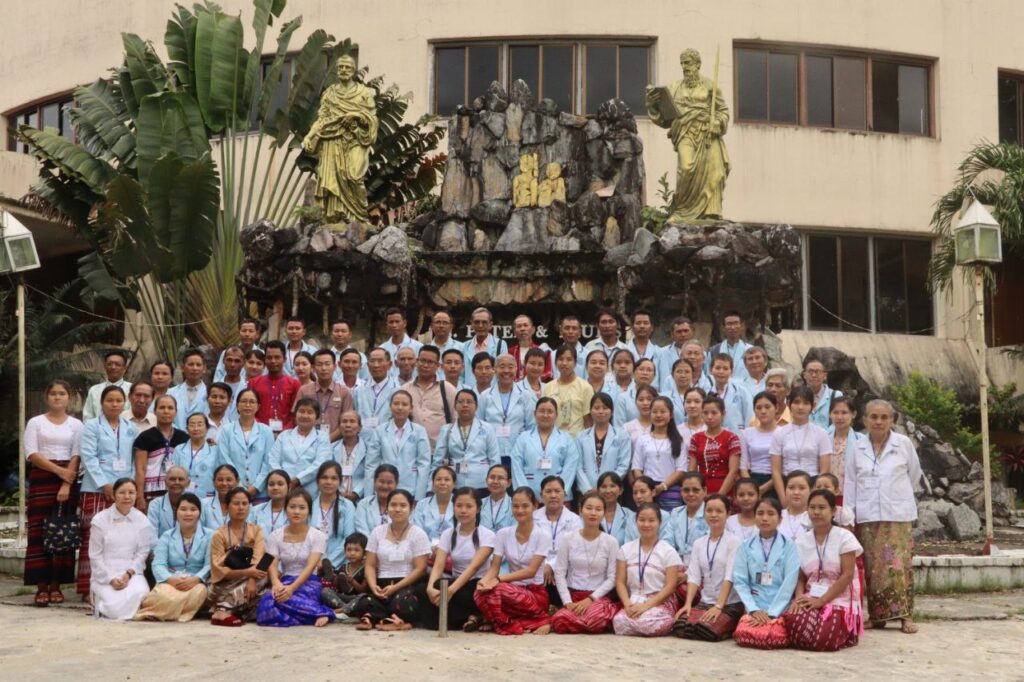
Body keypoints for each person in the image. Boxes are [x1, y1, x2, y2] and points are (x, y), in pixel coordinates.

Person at [845, 399, 922, 635]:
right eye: (874, 417)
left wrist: (894, 495)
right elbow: (850, 481)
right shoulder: (856, 446)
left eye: (884, 417)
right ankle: (877, 617)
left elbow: (914, 475)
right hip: (868, 515)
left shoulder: (903, 444)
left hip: (897, 515)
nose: (878, 422)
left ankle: (905, 616)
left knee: (899, 567)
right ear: (865, 419)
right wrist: (849, 516)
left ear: (892, 420)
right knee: (873, 568)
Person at [23, 380, 83, 606]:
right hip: (43, 477)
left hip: (68, 479)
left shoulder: (76, 425)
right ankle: (41, 588)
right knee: (39, 533)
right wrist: (59, 471)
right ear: (47, 397)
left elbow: (76, 454)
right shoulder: (35, 422)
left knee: (62, 530)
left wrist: (67, 481)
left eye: (62, 394)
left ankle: (57, 586)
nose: (57, 397)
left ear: (69, 397)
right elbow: (32, 453)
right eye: (53, 394)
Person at [78, 386, 137, 599]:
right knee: (94, 536)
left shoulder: (130, 428)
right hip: (95, 488)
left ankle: (116, 582)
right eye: (110, 400)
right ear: (102, 403)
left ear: (125, 403)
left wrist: (125, 487)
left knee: (117, 539)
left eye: (118, 400)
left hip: (121, 491)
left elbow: (131, 460)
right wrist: (104, 484)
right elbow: (88, 456)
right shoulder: (91, 426)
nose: (114, 404)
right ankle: (88, 588)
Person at [786, 489, 864, 651]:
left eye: (822, 508)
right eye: (812, 507)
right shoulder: (801, 540)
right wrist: (799, 597)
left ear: (833, 511)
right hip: (811, 595)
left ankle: (844, 632)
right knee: (794, 621)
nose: (816, 512)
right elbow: (800, 576)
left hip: (838, 598)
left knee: (823, 639)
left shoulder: (845, 537)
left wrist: (822, 601)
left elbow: (847, 575)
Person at [473, 487, 552, 635]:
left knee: (498, 589)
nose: (520, 510)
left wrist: (497, 580)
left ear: (535, 506)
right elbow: (494, 568)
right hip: (511, 590)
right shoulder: (503, 534)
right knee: (479, 593)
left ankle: (512, 623)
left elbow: (531, 571)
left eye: (525, 506)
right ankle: (520, 622)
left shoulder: (543, 535)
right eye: (515, 506)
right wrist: (484, 581)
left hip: (534, 593)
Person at [351, 489, 431, 631]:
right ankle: (385, 616)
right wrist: (373, 585)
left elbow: (421, 568)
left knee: (403, 602)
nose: (398, 509)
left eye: (403, 505)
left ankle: (395, 619)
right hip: (382, 585)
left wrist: (395, 587)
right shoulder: (377, 532)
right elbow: (369, 564)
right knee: (364, 602)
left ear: (411, 508)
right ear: (387, 508)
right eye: (393, 505)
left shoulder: (418, 534)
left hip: (408, 586)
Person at [256, 488, 335, 627]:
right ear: (286, 509)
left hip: (309, 582)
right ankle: (311, 615)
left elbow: (311, 567)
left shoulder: (318, 536)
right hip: (285, 581)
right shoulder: (275, 535)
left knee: (282, 602)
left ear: (309, 511)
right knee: (267, 602)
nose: (296, 511)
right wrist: (276, 583)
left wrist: (292, 588)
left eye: (302, 508)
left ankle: (322, 612)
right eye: (292, 507)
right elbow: (271, 563)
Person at [544, 491, 620, 635]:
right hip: (574, 596)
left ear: (603, 513)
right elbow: (560, 573)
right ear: (580, 510)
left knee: (595, 619)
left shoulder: (610, 542)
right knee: (560, 622)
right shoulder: (568, 539)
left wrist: (591, 599)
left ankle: (581, 619)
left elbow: (613, 578)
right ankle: (567, 615)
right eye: (589, 508)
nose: (593, 513)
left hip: (598, 598)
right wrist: (567, 602)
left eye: (598, 509)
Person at [421, 487, 496, 631]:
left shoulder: (487, 535)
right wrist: (430, 588)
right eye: (459, 506)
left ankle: (470, 616)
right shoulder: (448, 534)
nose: (463, 510)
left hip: (476, 587)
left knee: (448, 590)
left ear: (478, 509)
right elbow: (438, 566)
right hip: (454, 584)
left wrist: (450, 591)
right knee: (424, 589)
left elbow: (472, 568)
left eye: (469, 506)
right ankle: (470, 618)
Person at [731, 496, 800, 649]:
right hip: (755, 605)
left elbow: (789, 583)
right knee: (744, 634)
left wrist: (772, 613)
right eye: (760, 513)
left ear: (780, 519)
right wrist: (754, 609)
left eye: (770, 513)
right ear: (755, 517)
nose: (765, 518)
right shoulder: (745, 546)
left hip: (780, 606)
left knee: (773, 636)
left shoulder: (789, 546)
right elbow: (740, 581)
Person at [674, 493, 743, 641]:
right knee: (680, 626)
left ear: (728, 513)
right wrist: (687, 604)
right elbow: (693, 576)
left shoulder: (734, 542)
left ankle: (727, 624)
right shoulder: (699, 543)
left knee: (707, 630)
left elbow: (729, 576)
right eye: (709, 510)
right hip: (706, 602)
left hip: (729, 604)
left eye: (719, 511)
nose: (713, 515)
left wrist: (718, 607)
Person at [134, 492, 212, 622]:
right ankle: (177, 612)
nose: (188, 513)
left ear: (199, 513)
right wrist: (170, 579)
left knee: (199, 593)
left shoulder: (210, 535)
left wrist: (197, 579)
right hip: (171, 580)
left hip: (196, 582)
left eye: (193, 509)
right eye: (183, 509)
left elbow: (210, 564)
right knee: (164, 594)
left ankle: (159, 612)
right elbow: (158, 563)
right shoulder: (167, 536)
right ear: (176, 512)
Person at [612, 503, 682, 637]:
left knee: (647, 622)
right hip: (633, 601)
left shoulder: (668, 551)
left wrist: (646, 606)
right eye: (642, 520)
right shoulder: (625, 549)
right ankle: (636, 621)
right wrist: (627, 605)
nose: (646, 524)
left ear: (659, 523)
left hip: (659, 602)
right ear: (636, 521)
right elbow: (620, 582)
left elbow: (671, 586)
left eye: (651, 520)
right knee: (618, 621)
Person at [87, 478, 154, 619]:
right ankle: (99, 603)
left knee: (141, 593)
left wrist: (128, 574)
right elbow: (95, 556)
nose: (127, 497)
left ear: (136, 495)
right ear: (114, 494)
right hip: (104, 574)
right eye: (122, 492)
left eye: (131, 492)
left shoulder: (142, 520)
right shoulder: (100, 520)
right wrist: (111, 578)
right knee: (114, 607)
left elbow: (142, 553)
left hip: (131, 572)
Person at [208, 487, 268, 626]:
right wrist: (247, 572)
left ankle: (224, 609)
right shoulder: (219, 534)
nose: (240, 508)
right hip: (223, 585)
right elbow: (217, 569)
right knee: (260, 588)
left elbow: (259, 557)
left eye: (244, 503)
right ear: (227, 506)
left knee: (267, 578)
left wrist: (252, 578)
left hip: (250, 583)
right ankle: (223, 610)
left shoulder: (256, 530)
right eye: (236, 504)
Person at [770, 386, 833, 501]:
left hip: (813, 483)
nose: (800, 407)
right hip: (786, 484)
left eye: (805, 403)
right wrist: (783, 498)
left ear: (813, 406)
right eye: (797, 402)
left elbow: (824, 470)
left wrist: (813, 495)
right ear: (789, 404)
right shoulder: (779, 433)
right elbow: (775, 470)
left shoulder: (821, 434)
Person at [510, 398, 580, 500]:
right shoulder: (523, 438)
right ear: (535, 413)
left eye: (550, 412)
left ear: (556, 414)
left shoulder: (566, 439)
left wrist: (559, 492)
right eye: (542, 411)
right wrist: (524, 493)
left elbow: (570, 467)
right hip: (530, 496)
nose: (546, 415)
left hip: (559, 497)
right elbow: (516, 466)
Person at [368, 391, 432, 499]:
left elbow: (424, 465)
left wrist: (419, 497)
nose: (400, 407)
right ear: (390, 406)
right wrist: (369, 495)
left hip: (410, 488)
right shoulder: (380, 431)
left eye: (404, 404)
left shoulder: (419, 431)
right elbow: (371, 464)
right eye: (396, 404)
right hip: (384, 490)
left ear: (411, 408)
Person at [434, 390, 499, 495]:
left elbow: (494, 459)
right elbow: (437, 461)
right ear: (455, 406)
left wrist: (494, 483)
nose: (465, 405)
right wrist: (431, 488)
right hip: (455, 483)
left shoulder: (487, 428)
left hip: (482, 483)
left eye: (469, 402)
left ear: (476, 406)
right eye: (461, 402)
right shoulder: (446, 430)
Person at [480, 354, 537, 467]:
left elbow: (531, 426)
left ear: (516, 369)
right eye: (501, 366)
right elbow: (479, 426)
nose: (506, 370)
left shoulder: (525, 395)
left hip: (518, 451)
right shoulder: (485, 396)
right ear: (494, 370)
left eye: (511, 367)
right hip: (491, 452)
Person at [533, 476, 583, 606]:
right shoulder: (532, 518)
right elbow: (530, 547)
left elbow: (574, 549)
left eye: (557, 491)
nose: (553, 495)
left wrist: (552, 565)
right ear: (541, 495)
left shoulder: (575, 520)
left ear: (565, 494)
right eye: (548, 491)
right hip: (538, 567)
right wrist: (544, 565)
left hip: (564, 569)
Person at [217, 388, 274, 499]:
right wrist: (238, 486)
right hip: (233, 491)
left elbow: (268, 463)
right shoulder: (226, 430)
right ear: (237, 406)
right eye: (244, 401)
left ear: (258, 406)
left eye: (252, 402)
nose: (247, 405)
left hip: (260, 493)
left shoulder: (266, 431)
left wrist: (256, 487)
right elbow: (224, 459)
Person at [132, 394, 187, 509]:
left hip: (177, 491)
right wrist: (140, 496)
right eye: (162, 408)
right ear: (155, 411)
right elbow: (140, 468)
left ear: (176, 412)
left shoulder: (184, 437)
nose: (166, 411)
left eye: (170, 408)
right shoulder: (145, 437)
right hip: (151, 491)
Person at [632, 397, 687, 511]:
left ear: (671, 414)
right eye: (654, 412)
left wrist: (662, 486)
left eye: (663, 411)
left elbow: (681, 470)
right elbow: (637, 468)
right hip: (647, 491)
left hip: (670, 489)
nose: (658, 415)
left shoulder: (678, 440)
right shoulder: (642, 439)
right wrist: (645, 488)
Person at [270, 400, 333, 497]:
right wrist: (283, 480)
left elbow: (321, 463)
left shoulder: (322, 437)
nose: (305, 416)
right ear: (295, 414)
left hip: (311, 489)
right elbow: (273, 460)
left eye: (310, 412)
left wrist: (298, 479)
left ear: (316, 417)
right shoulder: (284, 436)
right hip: (283, 488)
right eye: (301, 411)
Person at [402, 346, 458, 448]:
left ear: (438, 366)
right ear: (416, 362)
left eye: (430, 362)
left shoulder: (447, 389)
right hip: (411, 450)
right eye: (422, 361)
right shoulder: (405, 389)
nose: (425, 365)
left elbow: (456, 420)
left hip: (439, 450)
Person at [575, 393, 632, 494]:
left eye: (605, 408)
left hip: (612, 492)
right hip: (587, 491)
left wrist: (608, 487)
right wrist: (587, 489)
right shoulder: (581, 437)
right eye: (596, 408)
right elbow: (578, 466)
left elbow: (623, 465)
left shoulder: (622, 436)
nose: (601, 411)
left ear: (612, 411)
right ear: (590, 411)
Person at [687, 395, 742, 496]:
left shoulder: (731, 438)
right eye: (705, 413)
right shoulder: (696, 438)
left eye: (714, 413)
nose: (709, 417)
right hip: (701, 490)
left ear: (723, 414)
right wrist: (697, 492)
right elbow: (692, 470)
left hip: (726, 489)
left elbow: (733, 471)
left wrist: (720, 496)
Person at [312, 461, 358, 580]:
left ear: (340, 482)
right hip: (311, 564)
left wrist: (328, 563)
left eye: (333, 478)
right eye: (324, 477)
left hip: (338, 565)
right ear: (317, 481)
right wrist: (315, 563)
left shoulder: (348, 506)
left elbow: (349, 539)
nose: (328, 482)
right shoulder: (309, 505)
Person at [297, 348, 354, 442]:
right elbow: (297, 417)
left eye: (327, 364)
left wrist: (328, 439)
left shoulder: (344, 392)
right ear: (313, 368)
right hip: (307, 442)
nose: (324, 368)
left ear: (335, 366)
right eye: (319, 365)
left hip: (336, 443)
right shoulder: (304, 390)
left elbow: (347, 421)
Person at [248, 341, 302, 433]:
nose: (273, 361)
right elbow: (249, 410)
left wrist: (285, 431)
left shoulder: (294, 384)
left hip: (286, 435)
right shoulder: (253, 383)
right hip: (258, 433)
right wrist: (262, 429)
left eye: (277, 357)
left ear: (284, 359)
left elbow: (295, 413)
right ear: (265, 359)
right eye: (269, 357)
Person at [665, 471, 708, 580]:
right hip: (676, 569)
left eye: (696, 490)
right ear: (681, 492)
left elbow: (709, 549)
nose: (691, 494)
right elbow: (667, 542)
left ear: (705, 491)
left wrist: (688, 574)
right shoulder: (675, 513)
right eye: (686, 490)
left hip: (703, 572)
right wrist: (675, 570)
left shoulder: (711, 513)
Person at [740, 391, 780, 495]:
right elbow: (743, 466)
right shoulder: (746, 433)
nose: (763, 411)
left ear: (776, 408)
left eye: (767, 407)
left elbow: (784, 466)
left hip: (777, 481)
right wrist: (752, 488)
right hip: (753, 480)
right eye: (758, 408)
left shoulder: (783, 432)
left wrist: (763, 489)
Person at [170, 413, 219, 498]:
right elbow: (172, 475)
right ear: (187, 429)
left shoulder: (215, 450)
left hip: (208, 497)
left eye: (200, 425)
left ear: (207, 428)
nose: (196, 428)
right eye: (192, 425)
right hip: (183, 497)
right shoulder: (179, 450)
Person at [322, 532, 368, 615]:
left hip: (355, 597)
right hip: (342, 597)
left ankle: (341, 610)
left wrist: (352, 582)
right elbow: (338, 587)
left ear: (364, 552)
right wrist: (335, 579)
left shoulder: (366, 569)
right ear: (344, 551)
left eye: (356, 550)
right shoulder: (343, 567)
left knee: (365, 596)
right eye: (349, 550)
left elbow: (363, 589)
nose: (352, 553)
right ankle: (346, 609)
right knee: (325, 592)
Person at [353, 347, 398, 428]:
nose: (376, 365)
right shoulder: (358, 391)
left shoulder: (397, 390)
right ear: (367, 365)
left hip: (387, 438)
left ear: (389, 365)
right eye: (372, 361)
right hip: (364, 438)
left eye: (380, 361)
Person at [460, 307, 506, 385]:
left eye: (484, 322)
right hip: (469, 393)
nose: (480, 326)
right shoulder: (464, 347)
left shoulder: (500, 345)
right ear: (471, 324)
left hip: (492, 393)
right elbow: (461, 375)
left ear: (490, 325)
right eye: (477, 322)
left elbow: (503, 372)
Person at [708, 353, 753, 432]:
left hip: (737, 435)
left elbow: (749, 416)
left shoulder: (742, 392)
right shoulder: (707, 393)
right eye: (717, 368)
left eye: (725, 368)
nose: (721, 372)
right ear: (711, 370)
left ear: (731, 371)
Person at [411, 466, 456, 545]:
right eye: (438, 479)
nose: (442, 483)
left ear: (454, 484)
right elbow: (417, 531)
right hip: (426, 549)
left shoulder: (461, 504)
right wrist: (430, 547)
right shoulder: (421, 505)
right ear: (433, 483)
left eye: (447, 479)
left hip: (454, 550)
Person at [82, 349, 132, 421]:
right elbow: (88, 417)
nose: (113, 367)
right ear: (105, 366)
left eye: (117, 364)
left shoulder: (132, 389)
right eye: (109, 364)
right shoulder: (94, 390)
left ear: (125, 368)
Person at [165, 349, 208, 430]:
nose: (195, 368)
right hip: (175, 438)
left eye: (198, 365)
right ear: (182, 368)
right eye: (191, 364)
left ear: (204, 369)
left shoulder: (210, 394)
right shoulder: (171, 393)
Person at [827, 396, 862, 496]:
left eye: (844, 412)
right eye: (835, 412)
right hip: (828, 495)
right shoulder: (823, 438)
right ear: (830, 414)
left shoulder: (861, 440)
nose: (839, 417)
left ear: (853, 414)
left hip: (852, 494)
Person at [703, 311, 752, 381]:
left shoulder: (750, 350)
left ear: (742, 326)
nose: (732, 327)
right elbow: (709, 374)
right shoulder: (714, 351)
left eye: (736, 323)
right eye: (729, 324)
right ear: (723, 328)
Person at [334, 410, 371, 501]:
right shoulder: (331, 448)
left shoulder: (369, 449)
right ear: (339, 426)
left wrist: (356, 493)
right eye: (344, 421)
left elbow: (370, 474)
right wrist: (336, 492)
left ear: (360, 428)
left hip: (359, 498)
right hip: (336, 497)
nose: (348, 425)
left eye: (352, 421)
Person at [146, 466, 190, 538]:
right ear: (165, 482)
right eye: (172, 479)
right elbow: (152, 536)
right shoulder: (155, 505)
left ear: (188, 483)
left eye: (181, 479)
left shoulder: (196, 504)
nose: (176, 482)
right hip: (161, 548)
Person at [214, 318, 262, 382]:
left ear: (257, 334)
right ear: (239, 333)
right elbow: (218, 377)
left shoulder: (262, 355)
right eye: (244, 331)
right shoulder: (227, 352)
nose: (247, 334)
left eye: (251, 331)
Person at [612, 358, 657, 427]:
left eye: (649, 370)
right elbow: (619, 426)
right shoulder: (623, 398)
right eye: (641, 369)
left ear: (654, 376)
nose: (645, 373)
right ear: (633, 373)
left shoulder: (659, 397)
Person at [355, 464, 399, 535]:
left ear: (396, 484)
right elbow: (362, 531)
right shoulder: (364, 504)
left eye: (389, 482)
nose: (385, 486)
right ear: (375, 482)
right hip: (368, 545)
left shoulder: (403, 505)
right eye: (381, 481)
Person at [596, 472, 637, 546]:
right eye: (604, 486)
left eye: (612, 486)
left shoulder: (631, 516)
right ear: (598, 491)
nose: (608, 491)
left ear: (621, 490)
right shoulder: (591, 514)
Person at [657, 316, 696, 392]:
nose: (683, 334)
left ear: (693, 332)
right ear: (672, 334)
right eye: (679, 332)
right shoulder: (661, 353)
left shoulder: (701, 354)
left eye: (686, 331)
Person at [249, 469, 291, 539]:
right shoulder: (255, 510)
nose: (275, 487)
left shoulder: (295, 511)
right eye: (271, 484)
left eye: (280, 484)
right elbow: (249, 536)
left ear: (289, 487)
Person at [509, 314, 552, 382]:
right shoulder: (510, 353)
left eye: (525, 325)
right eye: (519, 326)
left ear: (533, 330)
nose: (522, 329)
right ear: (514, 332)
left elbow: (547, 377)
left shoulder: (542, 351)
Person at [802, 358, 843, 429]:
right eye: (810, 371)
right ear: (804, 375)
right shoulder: (798, 396)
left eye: (817, 371)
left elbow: (841, 422)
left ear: (825, 376)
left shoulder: (835, 396)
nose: (814, 375)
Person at [329, 318, 370, 383]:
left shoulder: (361, 357)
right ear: (331, 334)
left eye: (343, 331)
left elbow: (366, 380)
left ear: (350, 334)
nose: (340, 334)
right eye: (336, 331)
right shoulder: (325, 357)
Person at [202, 465, 242, 530]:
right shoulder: (203, 504)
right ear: (214, 482)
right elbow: (199, 531)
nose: (224, 483)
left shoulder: (244, 505)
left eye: (229, 480)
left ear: (237, 482)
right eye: (220, 480)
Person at [779, 471, 813, 540]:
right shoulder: (777, 516)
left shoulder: (815, 516)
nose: (796, 492)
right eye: (791, 488)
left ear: (811, 490)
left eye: (802, 488)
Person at [480, 464, 515, 532]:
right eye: (492, 477)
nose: (495, 482)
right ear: (486, 480)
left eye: (500, 478)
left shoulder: (515, 505)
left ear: (509, 482)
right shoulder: (478, 504)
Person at [216, 347, 250, 413]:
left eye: (237, 361)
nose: (232, 365)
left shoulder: (248, 387)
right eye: (229, 360)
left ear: (243, 363)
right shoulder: (214, 387)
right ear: (223, 361)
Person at [664, 359, 696, 424]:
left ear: (692, 374)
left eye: (687, 372)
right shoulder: (665, 397)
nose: (683, 375)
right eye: (679, 372)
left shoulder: (701, 396)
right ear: (672, 374)